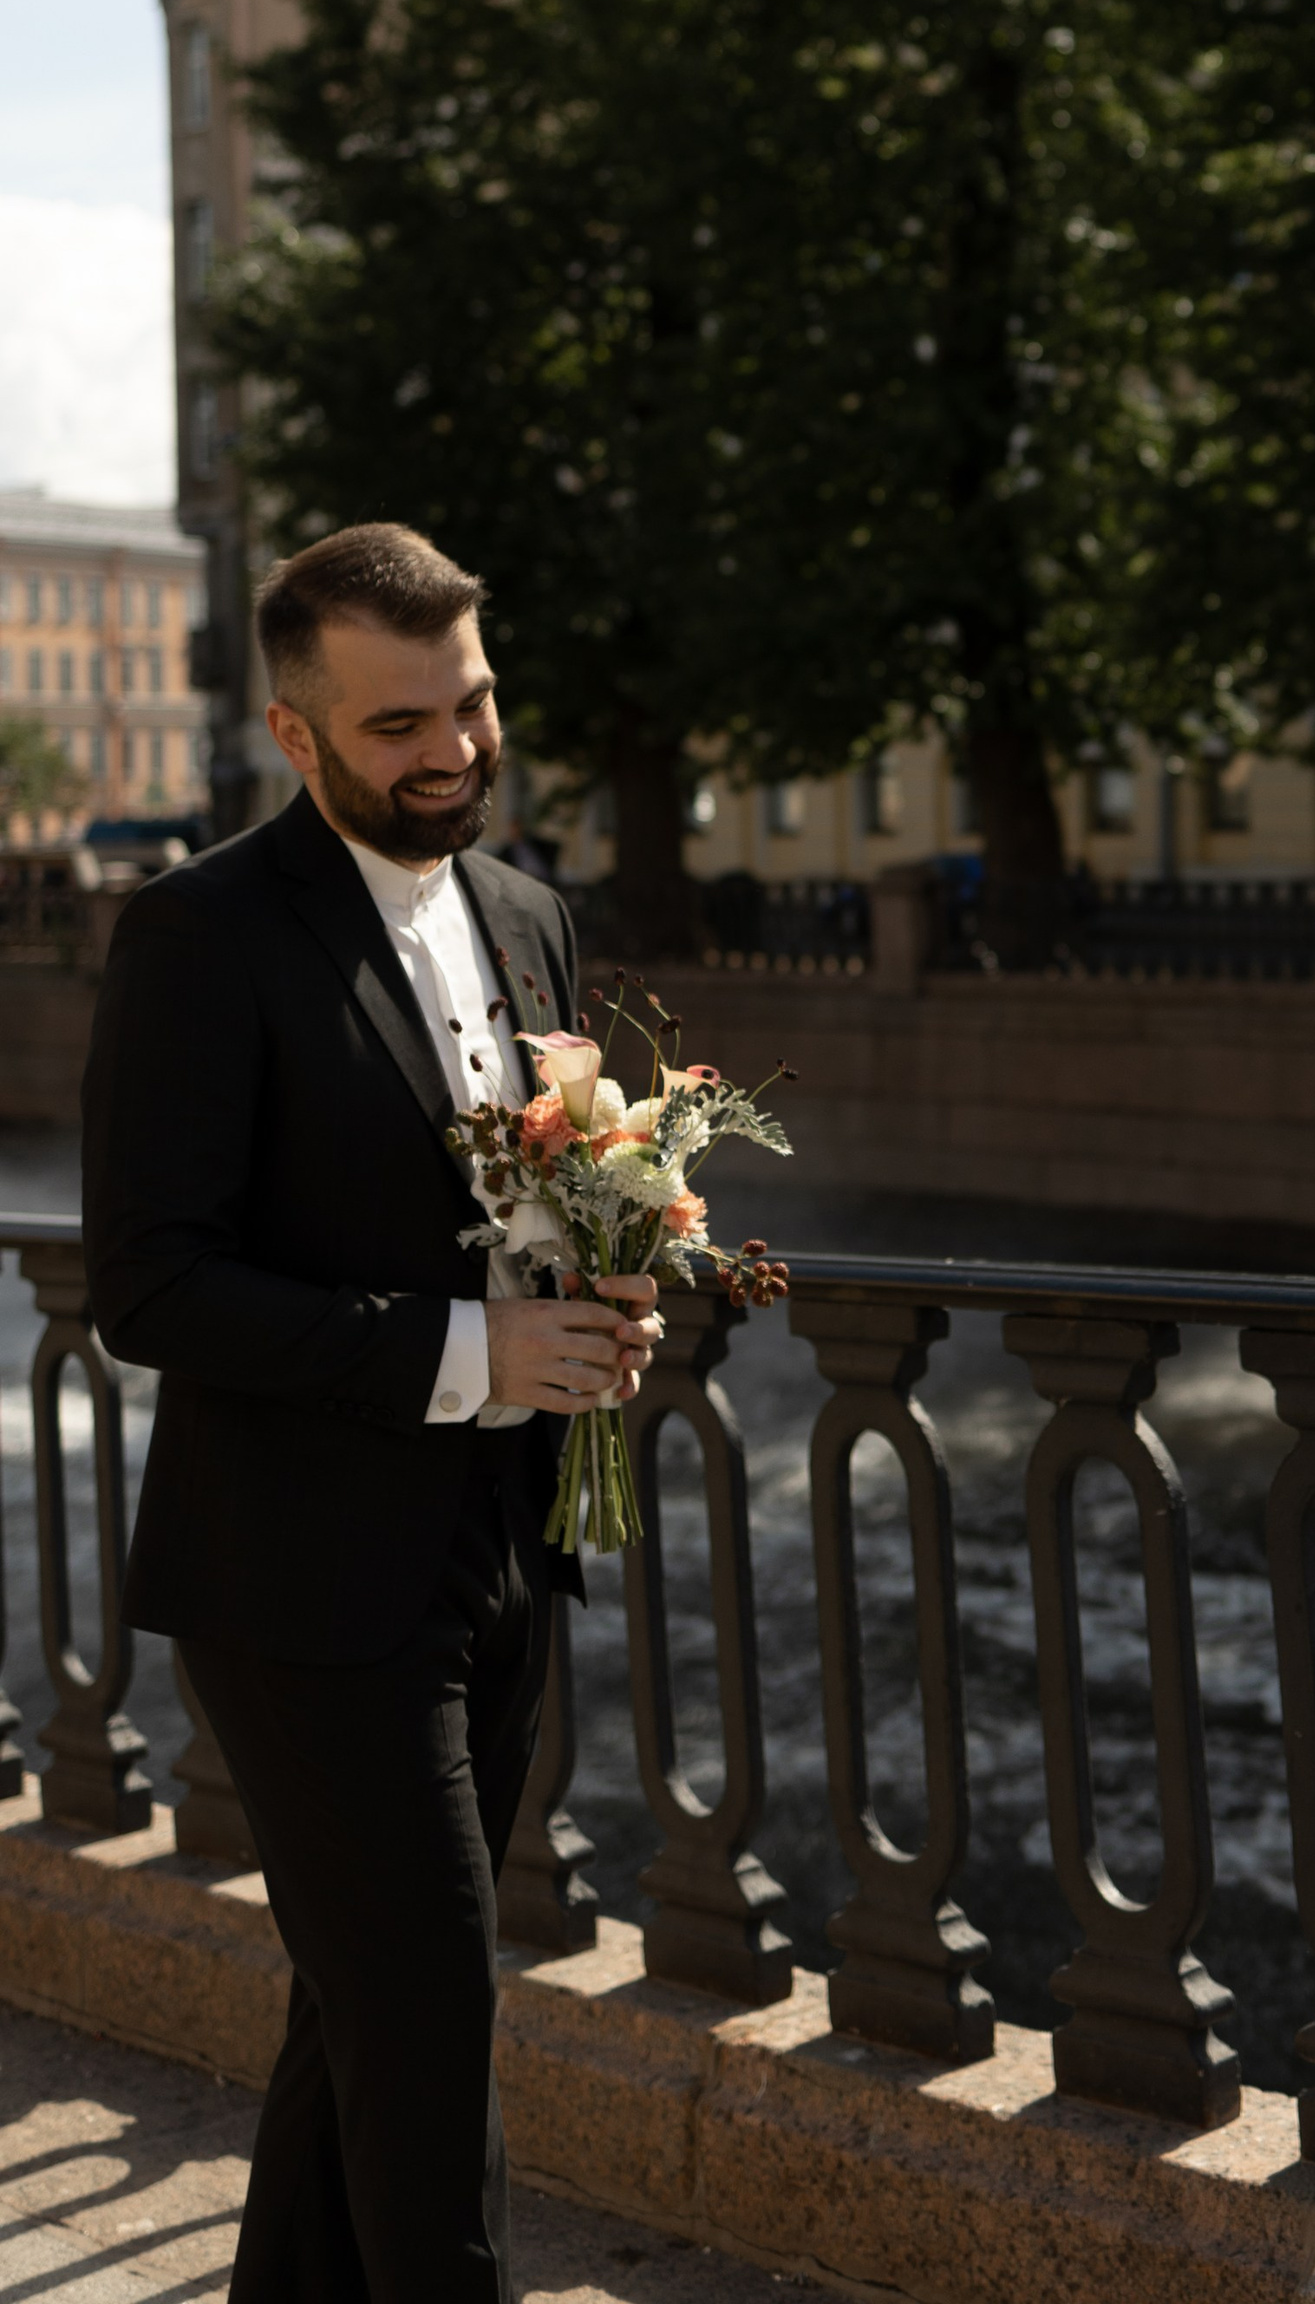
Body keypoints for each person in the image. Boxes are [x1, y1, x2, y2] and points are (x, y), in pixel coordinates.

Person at [81, 522, 661, 2304]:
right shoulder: (198, 934)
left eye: (471, 704)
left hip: (505, 1555)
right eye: (400, 723)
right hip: (298, 1584)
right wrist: (474, 1353)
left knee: (359, 2017)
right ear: (296, 730)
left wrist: (615, 1291)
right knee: (429, 2016)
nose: (453, 750)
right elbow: (151, 1285)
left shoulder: (531, 915)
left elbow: (526, 1209)